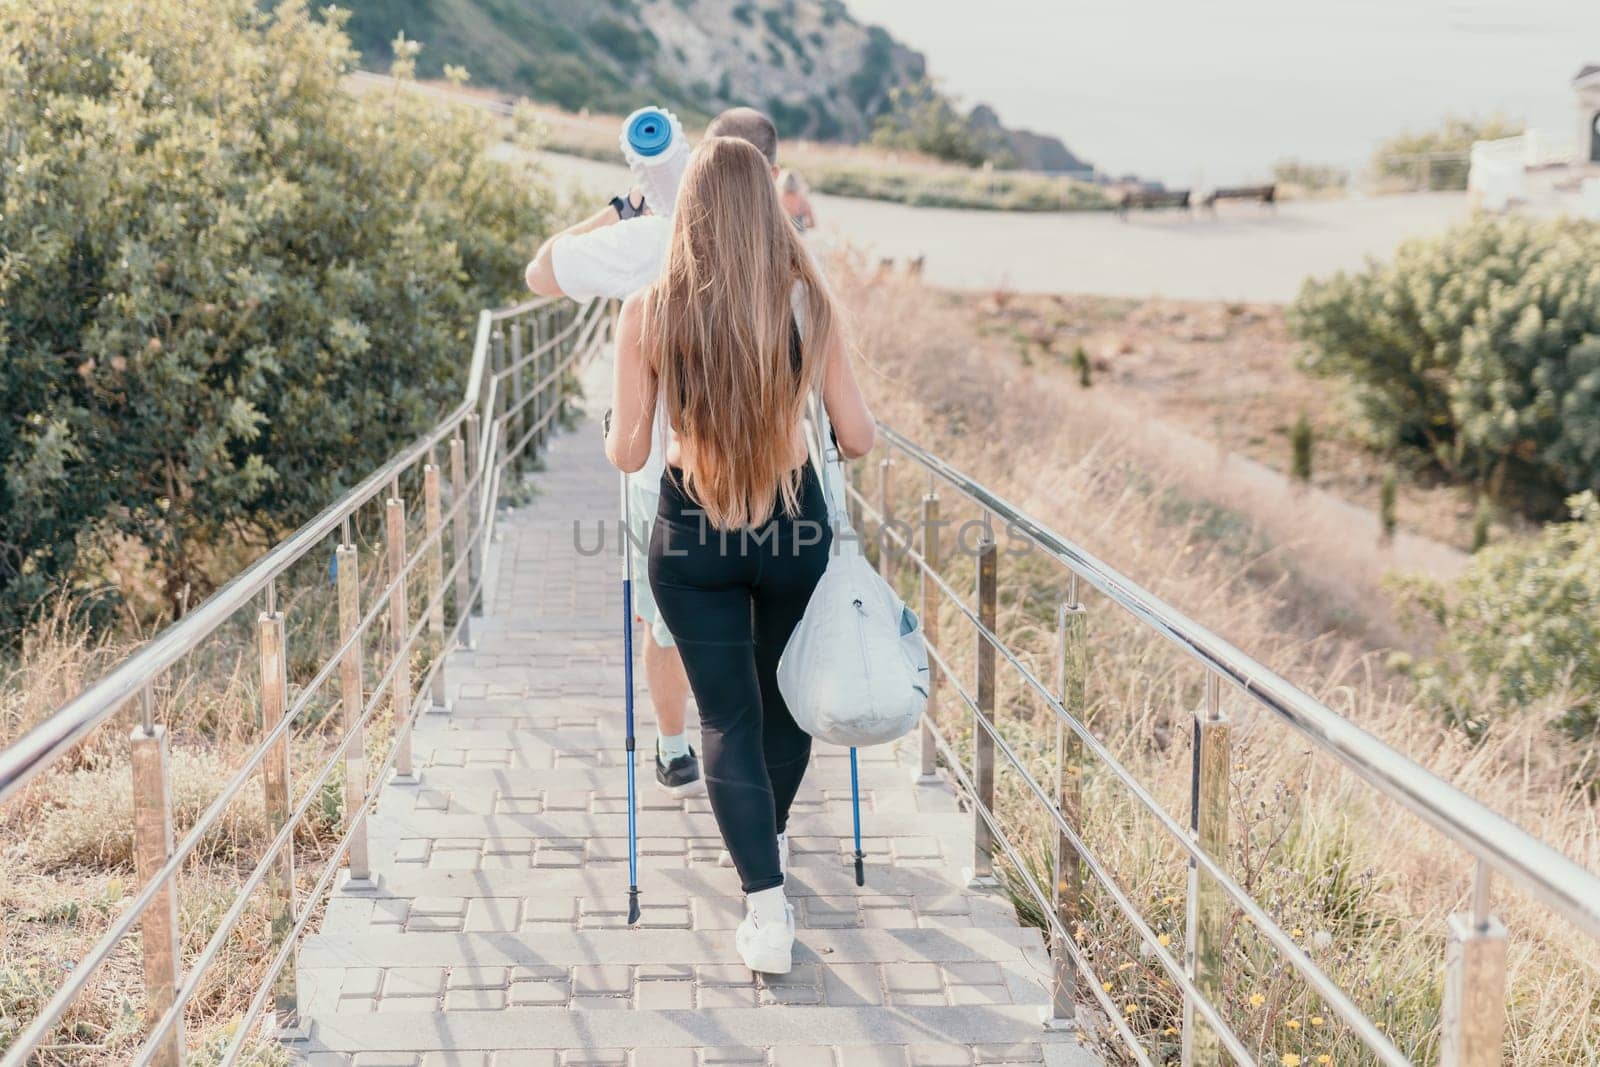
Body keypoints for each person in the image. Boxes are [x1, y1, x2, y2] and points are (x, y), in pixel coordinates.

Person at [603, 137, 875, 974]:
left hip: (695, 534)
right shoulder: (808, 301)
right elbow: (858, 438)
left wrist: (626, 419)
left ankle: (765, 906)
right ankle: (773, 837)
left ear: (687, 209)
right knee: (783, 703)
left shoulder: (649, 312)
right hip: (794, 526)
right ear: (768, 207)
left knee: (726, 717)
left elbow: (627, 451)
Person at [524, 108, 786, 795]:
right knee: (756, 614)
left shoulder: (648, 242)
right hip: (771, 477)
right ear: (771, 177)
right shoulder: (790, 256)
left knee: (664, 620)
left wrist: (625, 206)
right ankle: (749, 749)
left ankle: (675, 749)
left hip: (663, 484)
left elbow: (541, 272)